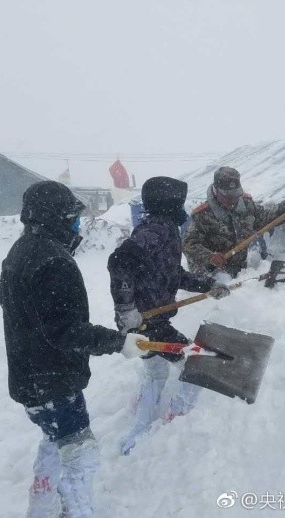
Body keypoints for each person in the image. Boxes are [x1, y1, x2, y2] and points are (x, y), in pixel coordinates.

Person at [0, 181, 148, 518]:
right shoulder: (53, 260)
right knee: (81, 456)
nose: (76, 224)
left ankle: (42, 508)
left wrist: (29, 327)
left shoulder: (21, 251)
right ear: (55, 217)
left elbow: (5, 297)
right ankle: (76, 511)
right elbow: (65, 330)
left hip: (28, 377)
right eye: (72, 217)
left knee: (54, 443)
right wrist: (119, 342)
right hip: (52, 379)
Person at [107, 176, 230, 455]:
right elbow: (118, 261)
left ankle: (135, 436)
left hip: (145, 322)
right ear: (170, 202)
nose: (183, 206)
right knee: (195, 362)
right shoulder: (159, 230)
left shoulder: (162, 229)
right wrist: (127, 310)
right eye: (180, 200)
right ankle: (176, 423)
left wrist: (208, 286)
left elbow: (173, 275)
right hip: (148, 321)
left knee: (155, 372)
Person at [183, 166, 285, 278]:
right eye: (227, 196)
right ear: (216, 191)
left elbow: (266, 218)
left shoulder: (246, 204)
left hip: (239, 271)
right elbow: (189, 245)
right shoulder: (202, 215)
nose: (232, 200)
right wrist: (210, 257)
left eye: (235, 194)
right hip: (210, 275)